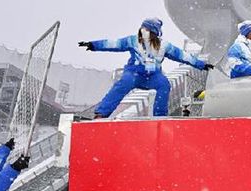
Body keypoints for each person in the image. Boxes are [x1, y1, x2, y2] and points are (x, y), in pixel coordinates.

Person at [79, 18, 214, 117]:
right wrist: (93, 45)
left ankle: (159, 116)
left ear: (153, 33)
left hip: (153, 77)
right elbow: (113, 43)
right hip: (134, 73)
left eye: (146, 31)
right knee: (123, 83)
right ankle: (102, 113)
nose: (143, 33)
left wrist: (201, 65)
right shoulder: (133, 41)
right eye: (142, 30)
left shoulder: (163, 46)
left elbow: (182, 55)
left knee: (164, 84)